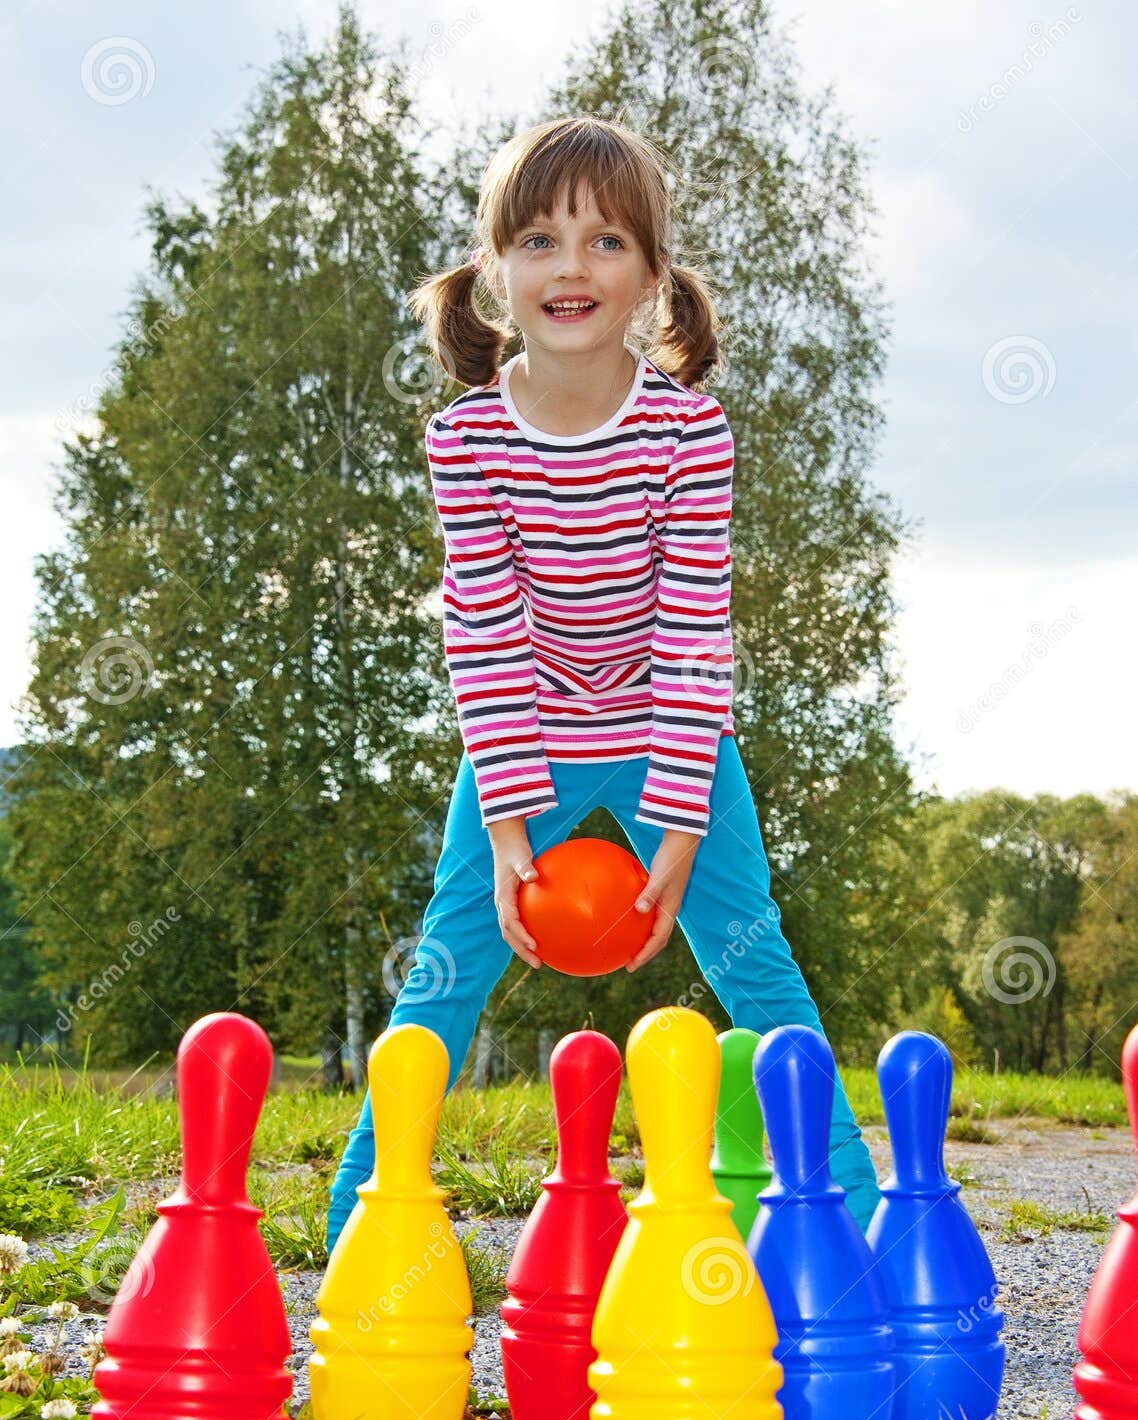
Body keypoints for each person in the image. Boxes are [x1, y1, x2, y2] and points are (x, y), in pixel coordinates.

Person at [325, 114, 881, 1250]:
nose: (569, 266)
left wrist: (676, 832)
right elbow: (481, 628)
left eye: (603, 242)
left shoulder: (686, 433)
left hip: (672, 732)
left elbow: (691, 635)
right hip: (521, 732)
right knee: (447, 961)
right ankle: (362, 1222)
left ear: (651, 279)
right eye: (537, 239)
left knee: (751, 958)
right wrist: (511, 812)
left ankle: (860, 1220)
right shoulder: (468, 441)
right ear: (495, 272)